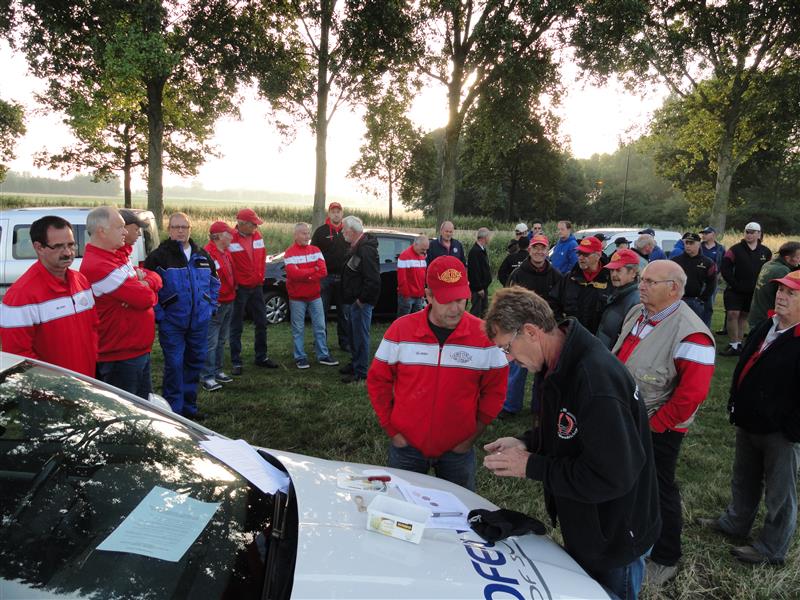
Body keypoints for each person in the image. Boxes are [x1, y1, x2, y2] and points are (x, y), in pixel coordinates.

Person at [482, 287, 660, 600]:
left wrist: (532, 466)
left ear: (531, 331)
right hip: (591, 523)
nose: (508, 359)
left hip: (615, 533)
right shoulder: (555, 363)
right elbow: (568, 431)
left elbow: (612, 476)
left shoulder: (594, 380)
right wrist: (527, 443)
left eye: (507, 348)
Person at [612, 260, 715, 587]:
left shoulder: (692, 334)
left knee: (658, 489)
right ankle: (629, 536)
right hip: (628, 419)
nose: (641, 286)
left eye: (650, 282)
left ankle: (666, 557)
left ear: (673, 289)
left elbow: (692, 395)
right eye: (642, 280)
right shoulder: (637, 314)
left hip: (660, 428)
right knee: (630, 483)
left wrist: (656, 427)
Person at [368, 256, 508, 490]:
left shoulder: (484, 336)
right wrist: (392, 430)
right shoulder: (400, 331)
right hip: (407, 447)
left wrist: (471, 436)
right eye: (446, 300)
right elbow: (378, 381)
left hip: (458, 449)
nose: (456, 309)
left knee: (460, 509)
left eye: (461, 299)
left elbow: (496, 390)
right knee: (402, 506)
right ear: (429, 296)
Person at [698, 269, 800, 566]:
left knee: (780, 493)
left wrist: (791, 429)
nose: (781, 296)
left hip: (780, 431)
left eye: (791, 293)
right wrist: (736, 402)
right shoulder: (769, 324)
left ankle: (771, 548)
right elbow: (746, 364)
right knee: (744, 478)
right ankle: (735, 522)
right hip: (750, 421)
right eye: (780, 290)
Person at [0, 215, 98, 376]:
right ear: (39, 247)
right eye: (58, 246)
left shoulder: (81, 281)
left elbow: (93, 328)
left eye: (71, 245)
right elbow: (17, 357)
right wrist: (55, 384)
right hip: (53, 389)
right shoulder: (20, 296)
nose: (67, 252)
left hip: (86, 382)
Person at [144, 212, 219, 419]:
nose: (180, 231)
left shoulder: (202, 256)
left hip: (199, 322)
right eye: (176, 227)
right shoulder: (158, 257)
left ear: (190, 229)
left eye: (184, 227)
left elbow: (214, 283)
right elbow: (149, 289)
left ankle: (189, 409)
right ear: (169, 230)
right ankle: (175, 413)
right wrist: (160, 315)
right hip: (172, 323)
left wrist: (210, 307)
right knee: (175, 366)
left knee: (194, 364)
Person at [80, 206, 162, 398]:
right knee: (127, 409)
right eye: (120, 227)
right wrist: (144, 286)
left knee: (143, 405)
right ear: (102, 231)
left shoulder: (116, 257)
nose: (125, 232)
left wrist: (145, 283)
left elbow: (155, 279)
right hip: (120, 356)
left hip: (135, 350)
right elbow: (145, 299)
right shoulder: (99, 265)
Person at [500, 234, 561, 417]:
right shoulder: (518, 274)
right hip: (521, 330)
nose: (539, 252)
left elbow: (559, 303)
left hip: (545, 330)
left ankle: (539, 407)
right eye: (536, 248)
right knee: (517, 368)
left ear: (547, 250)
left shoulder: (556, 275)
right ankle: (510, 406)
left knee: (543, 370)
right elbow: (508, 300)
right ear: (529, 250)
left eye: (543, 248)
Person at [229, 207, 277, 374]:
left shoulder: (258, 236)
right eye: (253, 224)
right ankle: (236, 361)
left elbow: (262, 258)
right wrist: (234, 283)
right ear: (242, 224)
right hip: (240, 288)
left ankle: (261, 357)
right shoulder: (230, 239)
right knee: (236, 325)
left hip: (256, 286)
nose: (256, 227)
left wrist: (261, 277)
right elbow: (228, 264)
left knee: (262, 322)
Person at [284, 222, 339, 369]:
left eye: (308, 233)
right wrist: (312, 271)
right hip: (297, 298)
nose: (307, 236)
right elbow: (293, 274)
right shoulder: (289, 253)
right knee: (298, 329)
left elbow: (323, 271)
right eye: (304, 233)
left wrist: (305, 274)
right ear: (296, 235)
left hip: (315, 296)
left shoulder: (315, 250)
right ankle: (300, 357)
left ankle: (323, 355)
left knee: (320, 326)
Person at [720, 222, 772, 356]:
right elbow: (725, 268)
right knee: (732, 314)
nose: (749, 234)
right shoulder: (735, 249)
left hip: (753, 291)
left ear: (759, 234)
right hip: (735, 290)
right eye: (747, 232)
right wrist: (734, 284)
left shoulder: (765, 251)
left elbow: (768, 270)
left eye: (752, 232)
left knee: (743, 316)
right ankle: (733, 344)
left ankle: (739, 344)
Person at [340, 216, 380, 383]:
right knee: (353, 335)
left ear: (351, 231)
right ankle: (355, 363)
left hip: (361, 302)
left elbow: (373, 279)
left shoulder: (366, 250)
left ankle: (361, 371)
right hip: (354, 300)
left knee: (360, 336)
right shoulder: (357, 246)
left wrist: (361, 300)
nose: (342, 232)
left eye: (344, 230)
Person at [201, 221, 237, 391]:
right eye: (228, 234)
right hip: (217, 303)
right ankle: (207, 376)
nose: (231, 237)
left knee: (221, 339)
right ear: (219, 236)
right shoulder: (207, 255)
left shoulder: (226, 252)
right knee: (211, 341)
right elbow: (205, 281)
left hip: (229, 300)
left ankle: (217, 370)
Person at [551, 235, 612, 335]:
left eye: (585, 254)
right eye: (579, 253)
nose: (580, 258)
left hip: (597, 340)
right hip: (570, 336)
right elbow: (553, 303)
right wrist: (562, 325)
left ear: (598, 255)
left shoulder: (610, 280)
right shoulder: (569, 278)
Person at [312, 201, 351, 352]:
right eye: (333, 211)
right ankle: (320, 343)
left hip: (344, 278)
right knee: (321, 312)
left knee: (344, 312)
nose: (336, 214)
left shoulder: (348, 230)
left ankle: (345, 342)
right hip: (325, 278)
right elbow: (313, 252)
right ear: (329, 214)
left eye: (338, 211)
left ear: (342, 213)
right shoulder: (321, 231)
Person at [747, 241, 800, 330]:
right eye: (798, 257)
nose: (799, 260)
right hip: (766, 319)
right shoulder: (782, 270)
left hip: (756, 314)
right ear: (787, 258)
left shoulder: (768, 264)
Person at [596, 248, 640, 349]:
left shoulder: (636, 302)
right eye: (612, 270)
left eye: (618, 270)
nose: (614, 274)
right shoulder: (617, 292)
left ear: (633, 273)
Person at [671, 232, 717, 325]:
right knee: (675, 326)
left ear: (699, 244)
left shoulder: (707, 262)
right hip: (677, 300)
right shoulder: (675, 261)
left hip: (696, 301)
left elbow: (712, 283)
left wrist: (702, 299)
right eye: (686, 243)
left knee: (695, 326)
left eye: (691, 243)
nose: (688, 246)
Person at [699, 226, 726, 330]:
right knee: (697, 305)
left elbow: (723, 264)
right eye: (703, 233)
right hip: (699, 280)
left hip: (712, 281)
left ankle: (706, 329)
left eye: (706, 233)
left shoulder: (720, 248)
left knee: (709, 306)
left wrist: (719, 276)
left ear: (713, 235)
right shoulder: (699, 246)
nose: (704, 235)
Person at [396, 234, 429, 317]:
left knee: (417, 318)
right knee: (403, 319)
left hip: (419, 295)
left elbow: (422, 277)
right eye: (423, 249)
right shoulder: (404, 256)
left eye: (426, 249)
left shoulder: (422, 256)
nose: (425, 252)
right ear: (415, 244)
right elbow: (402, 279)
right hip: (407, 296)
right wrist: (406, 295)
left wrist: (422, 294)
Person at [467, 227, 492, 317]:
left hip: (483, 287)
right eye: (489, 236)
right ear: (484, 237)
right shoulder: (475, 251)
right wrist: (479, 288)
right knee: (476, 311)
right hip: (478, 289)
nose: (489, 238)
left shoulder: (482, 250)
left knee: (484, 311)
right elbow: (474, 271)